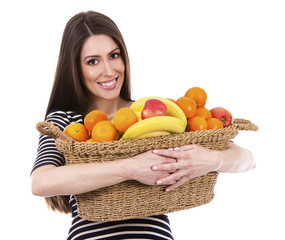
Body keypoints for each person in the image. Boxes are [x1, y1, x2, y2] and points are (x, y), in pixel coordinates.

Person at [31, 11, 256, 240]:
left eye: (114, 55)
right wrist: (129, 168)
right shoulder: (67, 121)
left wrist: (210, 160)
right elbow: (41, 182)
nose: (109, 70)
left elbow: (246, 159)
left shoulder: (149, 115)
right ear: (75, 68)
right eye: (93, 61)